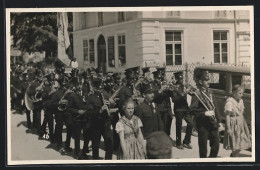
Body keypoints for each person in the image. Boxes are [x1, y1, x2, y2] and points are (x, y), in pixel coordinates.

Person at [190, 69, 221, 158]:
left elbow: (216, 108)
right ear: (200, 81)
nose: (208, 82)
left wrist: (219, 122)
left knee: (216, 145)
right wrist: (204, 113)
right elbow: (193, 110)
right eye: (206, 80)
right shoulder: (197, 94)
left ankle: (211, 160)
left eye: (208, 80)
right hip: (203, 125)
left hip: (213, 123)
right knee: (203, 149)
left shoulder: (210, 92)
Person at [86, 78, 113, 160]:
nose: (100, 90)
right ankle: (96, 161)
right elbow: (89, 113)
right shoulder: (90, 98)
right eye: (98, 88)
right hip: (96, 124)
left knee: (109, 143)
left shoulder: (104, 96)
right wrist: (100, 110)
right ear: (94, 88)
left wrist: (110, 105)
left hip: (106, 123)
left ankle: (108, 161)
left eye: (101, 88)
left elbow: (109, 108)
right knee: (95, 145)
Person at [223, 84, 251, 157]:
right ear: (234, 93)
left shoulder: (241, 101)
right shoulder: (230, 102)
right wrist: (228, 128)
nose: (241, 95)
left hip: (241, 123)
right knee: (234, 143)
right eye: (239, 93)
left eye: (242, 93)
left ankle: (235, 156)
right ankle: (234, 157)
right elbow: (228, 115)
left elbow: (241, 112)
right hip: (233, 123)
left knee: (240, 143)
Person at [171, 71, 193, 149]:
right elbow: (174, 99)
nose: (181, 80)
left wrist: (191, 90)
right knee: (179, 126)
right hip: (178, 109)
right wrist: (183, 94)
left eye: (182, 78)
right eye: (179, 79)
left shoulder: (184, 86)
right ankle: (178, 143)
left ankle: (186, 141)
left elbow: (192, 93)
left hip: (185, 108)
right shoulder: (174, 87)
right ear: (176, 79)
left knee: (191, 123)